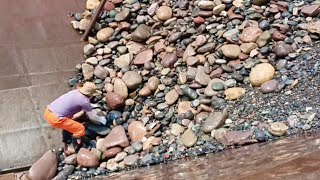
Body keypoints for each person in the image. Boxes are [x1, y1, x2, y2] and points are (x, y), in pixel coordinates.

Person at [44, 82, 106, 155]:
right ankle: (78, 148)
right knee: (80, 129)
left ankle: (66, 144)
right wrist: (102, 120)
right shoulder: (84, 101)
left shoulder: (74, 92)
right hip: (56, 119)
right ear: (90, 94)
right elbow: (92, 116)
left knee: (69, 123)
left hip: (48, 111)